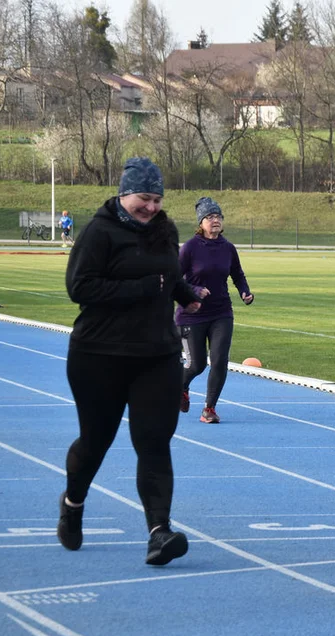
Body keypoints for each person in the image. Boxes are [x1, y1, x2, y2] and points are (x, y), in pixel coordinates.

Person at [58, 157, 207, 566]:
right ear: (125, 194)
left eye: (158, 199)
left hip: (157, 355)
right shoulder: (99, 232)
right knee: (96, 441)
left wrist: (184, 293)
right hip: (98, 355)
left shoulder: (165, 230)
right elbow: (79, 287)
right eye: (145, 198)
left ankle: (159, 532)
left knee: (154, 441)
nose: (152, 207)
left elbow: (168, 275)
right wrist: (144, 287)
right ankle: (73, 504)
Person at [177, 196, 254, 424]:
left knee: (219, 360)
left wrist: (244, 291)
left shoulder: (228, 248)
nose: (215, 220)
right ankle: (181, 386)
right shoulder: (190, 248)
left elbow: (237, 274)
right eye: (209, 217)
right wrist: (195, 290)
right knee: (197, 365)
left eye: (218, 216)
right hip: (191, 315)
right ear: (200, 223)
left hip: (221, 313)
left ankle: (209, 409)